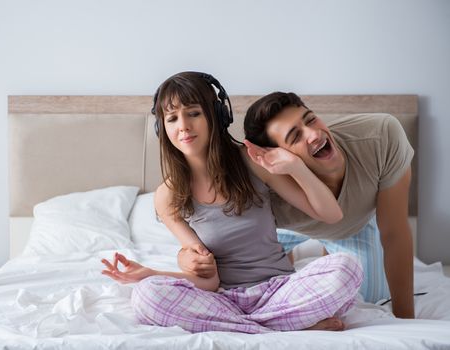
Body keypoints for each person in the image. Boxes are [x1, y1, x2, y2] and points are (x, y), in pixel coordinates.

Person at [101, 72, 363, 334]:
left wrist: (296, 167)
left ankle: (247, 328)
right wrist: (151, 274)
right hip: (223, 300)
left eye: (193, 113)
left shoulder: (253, 161)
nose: (183, 126)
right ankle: (284, 326)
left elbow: (331, 215)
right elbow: (208, 282)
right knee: (146, 295)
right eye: (171, 118)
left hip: (280, 290)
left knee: (346, 268)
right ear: (162, 128)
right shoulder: (167, 196)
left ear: (217, 114)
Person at [180, 91, 415, 319]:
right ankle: (290, 257)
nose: (314, 134)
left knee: (369, 295)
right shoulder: (264, 187)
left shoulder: (380, 137)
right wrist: (184, 256)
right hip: (275, 232)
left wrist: (407, 321)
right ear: (273, 156)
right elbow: (212, 237)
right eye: (295, 137)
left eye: (310, 119)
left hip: (352, 225)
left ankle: (326, 251)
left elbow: (394, 233)